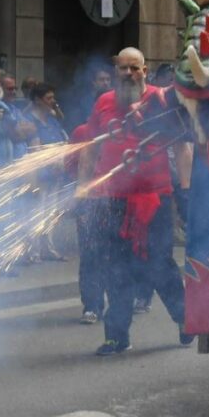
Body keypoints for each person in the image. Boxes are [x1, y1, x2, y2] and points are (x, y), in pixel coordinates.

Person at [74, 47, 191, 355]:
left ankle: (185, 318)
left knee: (160, 266)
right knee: (115, 268)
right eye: (122, 68)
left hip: (155, 198)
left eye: (134, 68)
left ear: (144, 70)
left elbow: (182, 148)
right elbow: (90, 147)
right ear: (116, 72)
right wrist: (83, 187)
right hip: (111, 200)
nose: (128, 73)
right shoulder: (103, 102)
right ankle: (116, 335)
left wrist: (187, 191)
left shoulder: (161, 101)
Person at [72, 68, 113, 324]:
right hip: (91, 200)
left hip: (119, 198)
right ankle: (92, 305)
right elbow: (74, 164)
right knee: (90, 254)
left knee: (117, 254)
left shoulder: (125, 132)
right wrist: (80, 193)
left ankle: (123, 304)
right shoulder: (83, 131)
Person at [19, 82, 69, 262]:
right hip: (40, 174)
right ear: (38, 100)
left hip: (55, 172)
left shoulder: (52, 119)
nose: (52, 101)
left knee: (51, 212)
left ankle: (48, 247)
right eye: (49, 98)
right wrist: (49, 163)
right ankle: (33, 251)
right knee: (36, 212)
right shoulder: (30, 121)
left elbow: (62, 141)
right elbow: (34, 149)